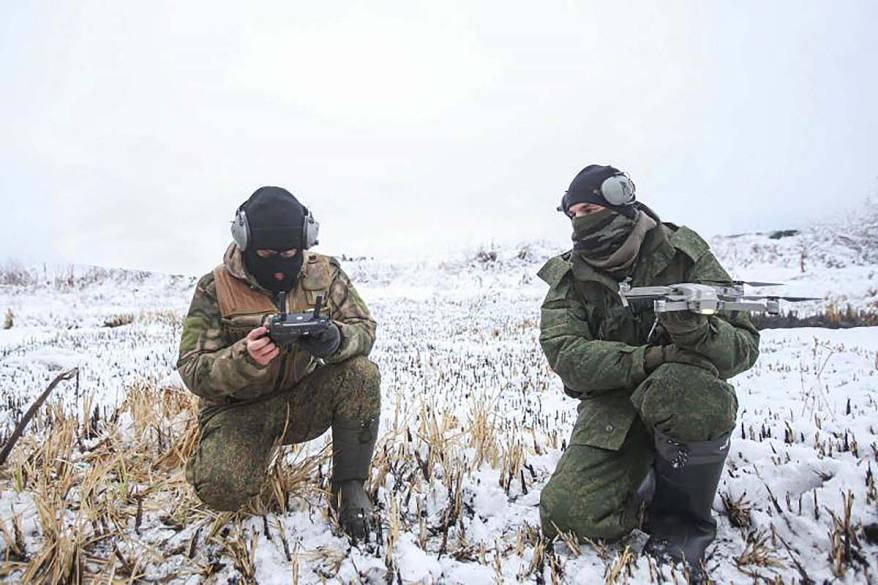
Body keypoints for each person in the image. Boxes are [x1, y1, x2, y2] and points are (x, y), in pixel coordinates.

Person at [537, 165, 760, 574]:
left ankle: (683, 523)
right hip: (614, 406)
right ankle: (643, 479)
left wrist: (696, 332)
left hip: (683, 391)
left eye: (591, 208)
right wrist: (649, 359)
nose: (582, 220)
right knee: (565, 515)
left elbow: (743, 347)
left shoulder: (681, 253)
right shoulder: (569, 277)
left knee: (689, 391)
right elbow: (566, 355)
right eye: (575, 213)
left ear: (620, 202)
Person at [177, 186, 380, 540]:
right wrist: (243, 358)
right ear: (244, 243)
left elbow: (364, 329)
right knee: (221, 488)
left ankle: (350, 487)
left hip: (301, 400)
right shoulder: (214, 288)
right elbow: (193, 370)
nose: (280, 263)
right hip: (237, 412)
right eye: (267, 254)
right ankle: (243, 456)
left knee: (361, 373)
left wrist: (336, 340)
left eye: (289, 253)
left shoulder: (325, 274)